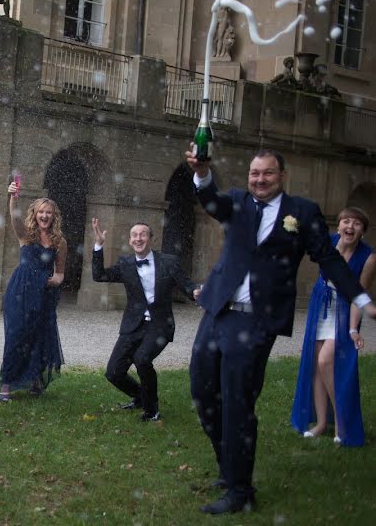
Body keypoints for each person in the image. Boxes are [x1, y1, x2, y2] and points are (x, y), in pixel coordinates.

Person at [185, 147, 376, 514]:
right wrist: (203, 172)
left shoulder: (302, 213)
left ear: (281, 175)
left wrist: (361, 299)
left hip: (257, 320)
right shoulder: (238, 201)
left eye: (267, 173)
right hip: (219, 311)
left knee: (238, 401)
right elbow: (209, 200)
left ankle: (240, 493)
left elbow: (329, 259)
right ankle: (229, 467)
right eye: (255, 173)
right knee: (202, 390)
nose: (259, 180)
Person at [91, 219, 199, 421]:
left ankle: (152, 410)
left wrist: (195, 292)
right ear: (130, 241)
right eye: (134, 235)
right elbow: (99, 276)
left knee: (142, 359)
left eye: (143, 234)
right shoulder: (125, 264)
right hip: (133, 325)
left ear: (151, 239)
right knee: (113, 372)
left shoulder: (168, 262)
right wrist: (99, 245)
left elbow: (186, 285)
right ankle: (139, 396)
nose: (138, 238)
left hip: (159, 325)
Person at [291, 207, 374, 446]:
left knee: (328, 360)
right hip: (321, 303)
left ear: (362, 231)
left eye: (356, 224)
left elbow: (360, 295)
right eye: (346, 221)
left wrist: (353, 329)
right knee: (317, 365)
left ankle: (342, 423)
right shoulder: (328, 242)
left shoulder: (369, 257)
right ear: (337, 226)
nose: (350, 226)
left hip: (346, 308)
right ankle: (319, 423)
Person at [0, 182, 66, 401]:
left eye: (49, 212)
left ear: (54, 216)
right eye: (41, 212)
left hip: (45, 294)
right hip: (21, 290)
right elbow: (15, 219)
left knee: (40, 335)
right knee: (17, 334)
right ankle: (6, 383)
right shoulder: (26, 234)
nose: (44, 216)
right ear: (35, 214)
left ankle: (35, 379)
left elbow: (61, 273)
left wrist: (54, 281)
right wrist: (13, 198)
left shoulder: (59, 242)